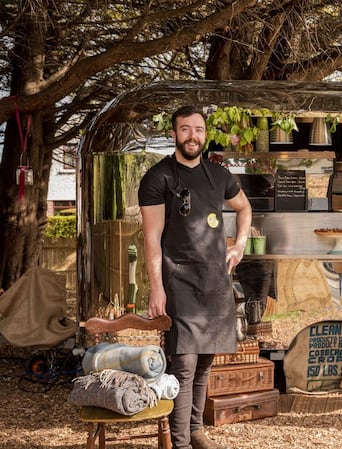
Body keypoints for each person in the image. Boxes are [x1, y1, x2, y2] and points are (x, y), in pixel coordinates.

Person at [139, 105, 252, 449]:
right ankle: (181, 443)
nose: (193, 136)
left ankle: (196, 430)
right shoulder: (158, 177)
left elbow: (244, 208)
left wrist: (240, 244)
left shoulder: (219, 175)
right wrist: (156, 288)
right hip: (178, 280)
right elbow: (151, 239)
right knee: (184, 363)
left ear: (205, 134)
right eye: (185, 129)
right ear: (173, 134)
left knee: (205, 361)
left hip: (216, 279)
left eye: (199, 129)